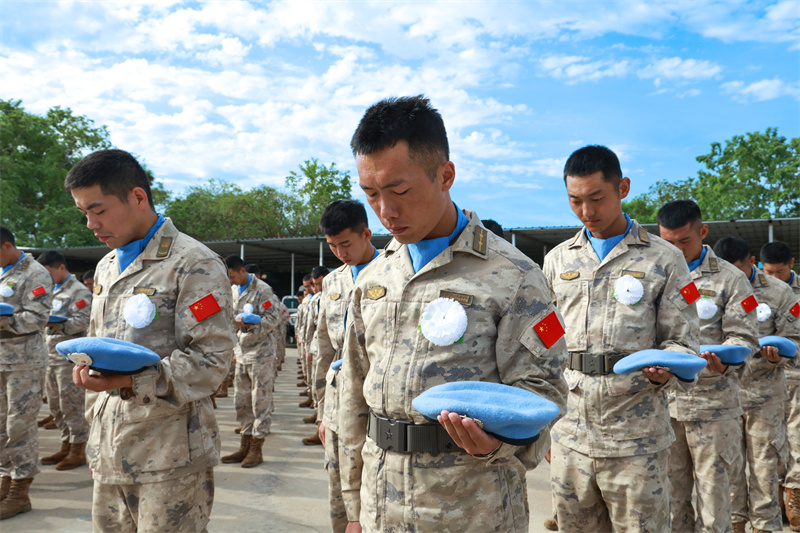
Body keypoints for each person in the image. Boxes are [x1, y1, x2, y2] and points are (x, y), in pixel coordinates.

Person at [339, 95, 568, 532]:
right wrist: (353, 507)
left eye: (399, 191)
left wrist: (496, 445)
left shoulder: (514, 276)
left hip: (470, 507)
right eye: (371, 194)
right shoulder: (376, 276)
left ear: (445, 176)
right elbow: (352, 392)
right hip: (380, 504)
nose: (386, 211)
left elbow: (545, 394)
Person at [64, 149, 236, 531]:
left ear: (138, 197)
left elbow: (211, 361)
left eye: (98, 210)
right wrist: (96, 436)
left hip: (169, 458)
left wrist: (131, 380)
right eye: (83, 213)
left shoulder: (194, 263)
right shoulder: (107, 265)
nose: (91, 224)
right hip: (111, 452)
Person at [544, 145, 700, 533]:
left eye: (596, 197)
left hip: (636, 438)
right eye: (575, 201)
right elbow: (544, 341)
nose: (586, 211)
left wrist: (666, 367)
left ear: (622, 188)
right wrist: (545, 427)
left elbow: (683, 340)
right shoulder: (558, 260)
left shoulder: (665, 259)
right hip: (571, 434)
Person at [657, 200, 759, 533]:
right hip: (664, 406)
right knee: (670, 499)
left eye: (683, 241)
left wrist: (724, 362)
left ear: (702, 232)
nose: (675, 250)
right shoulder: (654, 274)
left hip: (713, 407)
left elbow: (745, 338)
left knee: (715, 499)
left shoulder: (732, 279)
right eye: (667, 242)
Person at [714, 236, 800, 533]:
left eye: (736, 270)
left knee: (764, 464)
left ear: (750, 263)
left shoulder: (779, 291)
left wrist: (779, 356)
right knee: (728, 464)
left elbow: (795, 341)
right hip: (723, 394)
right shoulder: (711, 289)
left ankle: (765, 524)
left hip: (765, 394)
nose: (731, 277)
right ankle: (736, 522)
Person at [311, 199, 379, 532]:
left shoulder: (389, 274)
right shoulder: (333, 281)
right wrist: (322, 411)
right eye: (333, 246)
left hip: (373, 400)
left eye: (346, 244)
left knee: (372, 489)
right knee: (338, 485)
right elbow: (324, 347)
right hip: (337, 399)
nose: (340, 253)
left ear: (366, 234)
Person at [0, 226, 53, 520]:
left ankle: (20, 492)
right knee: (0, 426)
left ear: (7, 246)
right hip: (0, 360)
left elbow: (37, 317)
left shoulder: (35, 273)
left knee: (19, 426)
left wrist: (4, 322)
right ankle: (5, 480)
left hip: (24, 362)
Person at [221, 255, 280, 468]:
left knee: (260, 402)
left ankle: (257, 447)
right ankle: (244, 445)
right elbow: (231, 321)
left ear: (242, 271)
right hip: (242, 353)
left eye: (232, 276)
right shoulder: (234, 291)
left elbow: (274, 319)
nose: (231, 280)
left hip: (261, 354)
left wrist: (254, 322)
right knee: (242, 401)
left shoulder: (262, 290)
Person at [37, 250, 93, 471]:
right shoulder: (51, 290)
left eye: (49, 272)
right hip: (50, 355)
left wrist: (56, 324)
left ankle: (77, 450)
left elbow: (83, 321)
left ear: (61, 267)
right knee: (55, 405)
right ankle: (65, 444)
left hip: (69, 357)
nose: (46, 277)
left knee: (71, 404)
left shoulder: (79, 291)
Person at [761, 241, 800, 531]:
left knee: (797, 437)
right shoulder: (752, 291)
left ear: (792, 264)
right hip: (765, 379)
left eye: (780, 272)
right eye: (769, 273)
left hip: (797, 375)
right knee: (769, 440)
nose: (774, 278)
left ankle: (795, 493)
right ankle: (774, 496)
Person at [301, 265, 329, 445]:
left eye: (319, 284)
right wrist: (309, 347)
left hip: (335, 351)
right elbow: (312, 326)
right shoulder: (317, 299)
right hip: (319, 348)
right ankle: (320, 422)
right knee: (320, 386)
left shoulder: (339, 293)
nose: (317, 288)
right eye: (315, 284)